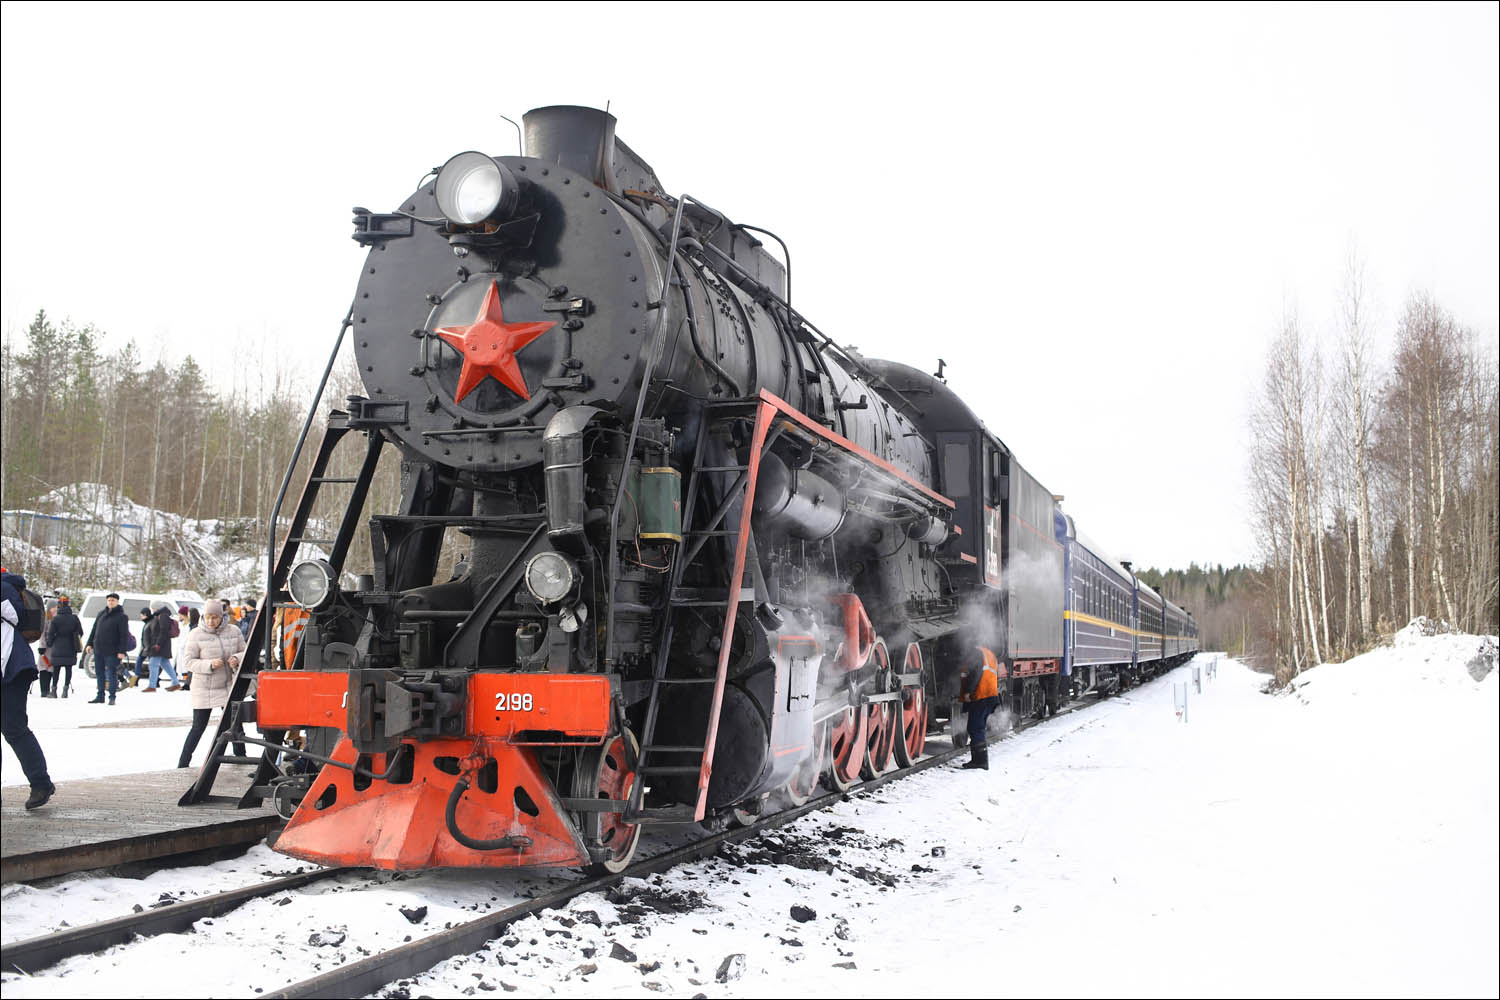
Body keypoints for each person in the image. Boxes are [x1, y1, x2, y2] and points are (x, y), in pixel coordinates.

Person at [2, 570, 54, 809]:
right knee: (15, 730)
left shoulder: (5, 589)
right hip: (10, 666)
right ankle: (40, 783)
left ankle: (41, 783)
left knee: (15, 729)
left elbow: (14, 616)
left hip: (12, 670)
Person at [178, 599, 247, 768]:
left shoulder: (234, 630)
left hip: (228, 685)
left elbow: (245, 651)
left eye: (214, 617)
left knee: (234, 724)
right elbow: (188, 661)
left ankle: (241, 758)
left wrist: (237, 658)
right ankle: (183, 762)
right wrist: (208, 664)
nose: (211, 621)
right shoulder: (195, 634)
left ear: (221, 616)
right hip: (204, 687)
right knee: (198, 727)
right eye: (208, 617)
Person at [959, 646, 1003, 770]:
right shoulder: (990, 654)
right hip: (990, 695)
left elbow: (976, 673)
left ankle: (980, 761)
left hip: (980, 696)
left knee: (976, 728)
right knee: (977, 728)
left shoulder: (977, 653)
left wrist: (968, 691)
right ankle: (979, 760)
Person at [84, 592, 131, 704]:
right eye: (109, 600)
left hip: (112, 650)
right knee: (99, 673)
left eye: (113, 600)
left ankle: (112, 696)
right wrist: (89, 643)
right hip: (99, 648)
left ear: (117, 602)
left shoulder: (122, 617)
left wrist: (121, 651)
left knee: (111, 673)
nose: (110, 602)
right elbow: (94, 629)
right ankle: (100, 695)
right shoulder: (101, 614)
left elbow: (123, 635)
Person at [42, 594, 83, 698]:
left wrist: (49, 643)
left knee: (56, 669)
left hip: (57, 646)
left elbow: (51, 634)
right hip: (71, 646)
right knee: (68, 669)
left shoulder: (56, 619)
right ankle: (65, 691)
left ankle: (54, 690)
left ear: (59, 606)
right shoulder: (74, 618)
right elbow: (80, 632)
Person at [142, 603, 182, 692]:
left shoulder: (163, 616)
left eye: (153, 608)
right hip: (162, 644)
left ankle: (152, 686)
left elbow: (163, 631)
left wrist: (158, 644)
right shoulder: (160, 615)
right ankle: (176, 683)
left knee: (153, 664)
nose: (152, 609)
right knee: (165, 664)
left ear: (157, 607)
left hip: (160, 645)